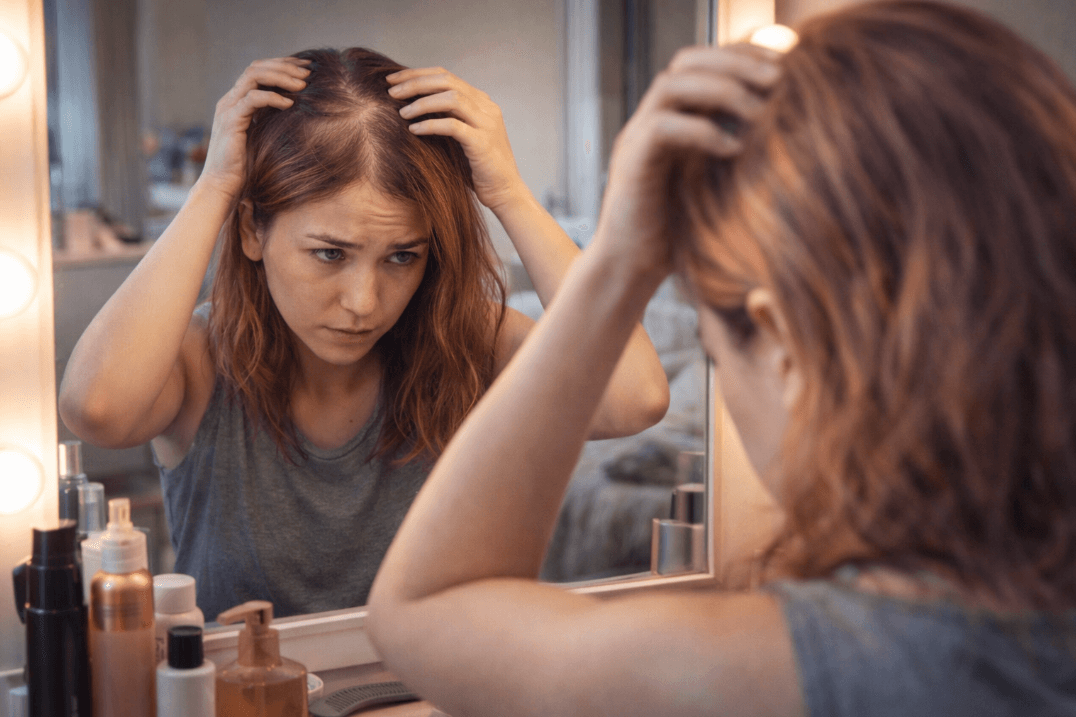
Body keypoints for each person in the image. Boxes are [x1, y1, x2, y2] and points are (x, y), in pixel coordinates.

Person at [365, 2, 1076, 714]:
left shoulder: (804, 664)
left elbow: (428, 607)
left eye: (712, 346)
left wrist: (620, 258)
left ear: (785, 346)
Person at [59, 48, 669, 618]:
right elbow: (97, 409)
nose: (364, 302)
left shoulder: (465, 344)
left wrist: (509, 194)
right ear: (252, 231)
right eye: (329, 254)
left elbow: (633, 399)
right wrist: (215, 188)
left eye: (402, 257)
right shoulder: (199, 358)